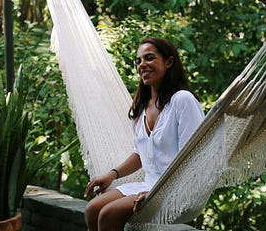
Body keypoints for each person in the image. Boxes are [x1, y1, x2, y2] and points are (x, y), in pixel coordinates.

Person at [84, 36, 205, 231]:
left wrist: (157, 192)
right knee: (92, 209)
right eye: (138, 61)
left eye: (149, 58)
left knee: (108, 214)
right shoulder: (141, 107)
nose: (142, 65)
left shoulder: (182, 101)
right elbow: (141, 154)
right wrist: (112, 175)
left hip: (175, 190)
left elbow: (191, 158)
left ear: (169, 62)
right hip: (147, 185)